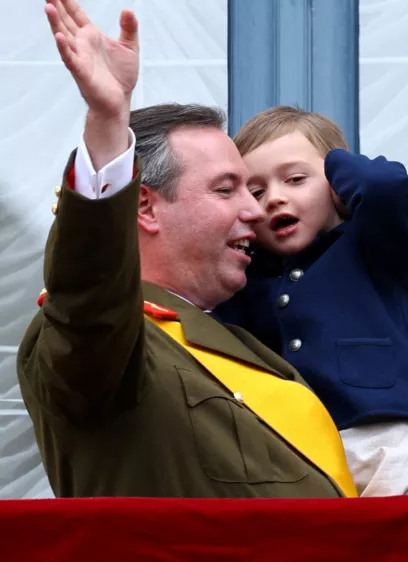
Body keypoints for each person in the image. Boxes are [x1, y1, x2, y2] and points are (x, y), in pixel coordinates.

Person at [19, 0, 355, 498]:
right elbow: (88, 297)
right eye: (226, 189)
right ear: (145, 207)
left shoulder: (241, 340)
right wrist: (109, 124)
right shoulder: (104, 340)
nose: (256, 210)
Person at [213, 107, 408, 496]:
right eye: (256, 192)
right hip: (294, 455)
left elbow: (386, 187)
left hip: (388, 442)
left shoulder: (378, 244)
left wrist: (334, 161)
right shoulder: (246, 278)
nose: (275, 198)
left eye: (296, 179)